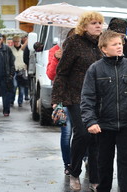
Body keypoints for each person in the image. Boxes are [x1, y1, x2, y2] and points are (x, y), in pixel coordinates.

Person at [81, 30, 127, 192]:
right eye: (115, 44)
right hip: (103, 124)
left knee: (126, 162)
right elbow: (87, 97)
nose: (119, 46)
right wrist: (90, 121)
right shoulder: (95, 69)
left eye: (120, 43)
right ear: (103, 49)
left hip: (126, 123)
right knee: (104, 161)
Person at [51, 11, 103, 191]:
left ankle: (95, 179)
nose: (98, 26)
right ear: (84, 26)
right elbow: (62, 71)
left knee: (97, 137)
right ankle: (74, 171)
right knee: (83, 133)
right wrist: (57, 99)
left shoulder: (102, 44)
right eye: (94, 23)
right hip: (76, 96)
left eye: (100, 23)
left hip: (98, 98)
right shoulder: (74, 42)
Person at [47, 28, 75, 176]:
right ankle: (68, 164)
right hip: (62, 98)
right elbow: (51, 75)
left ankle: (85, 157)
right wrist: (56, 59)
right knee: (66, 132)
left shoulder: (84, 49)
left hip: (80, 98)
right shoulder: (55, 50)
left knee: (83, 132)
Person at [10, 35, 27, 107]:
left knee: (21, 87)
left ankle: (20, 101)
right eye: (15, 41)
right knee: (14, 86)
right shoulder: (10, 49)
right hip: (14, 70)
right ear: (13, 42)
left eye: (18, 41)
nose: (17, 43)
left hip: (22, 70)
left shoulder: (24, 48)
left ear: (20, 41)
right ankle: (12, 100)